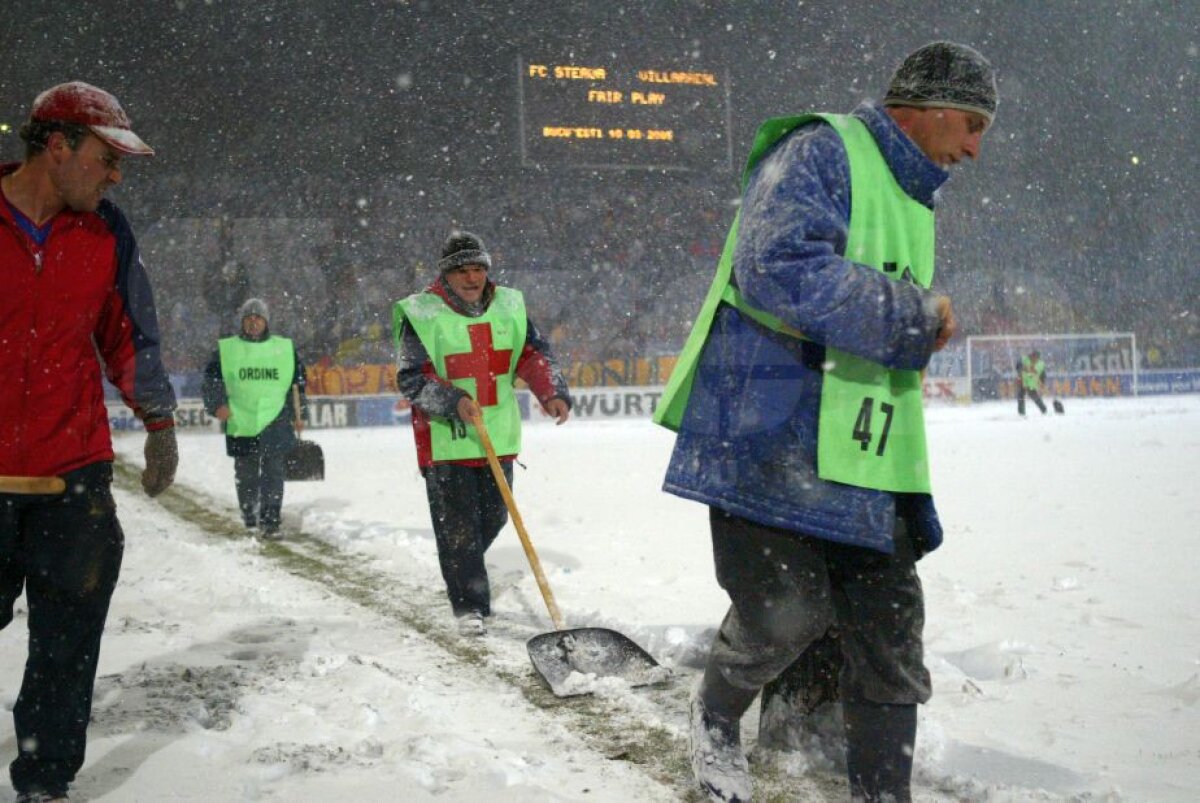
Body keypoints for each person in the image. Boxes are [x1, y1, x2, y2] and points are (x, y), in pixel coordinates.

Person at [653, 42, 997, 802]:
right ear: (928, 104)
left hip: (866, 447)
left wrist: (912, 328)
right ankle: (714, 719)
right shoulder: (823, 149)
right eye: (970, 124)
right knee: (784, 614)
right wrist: (913, 314)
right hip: (771, 428)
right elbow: (776, 265)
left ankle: (881, 792)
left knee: (888, 634)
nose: (975, 147)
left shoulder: (914, 194)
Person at [0, 81, 178, 803]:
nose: (115, 175)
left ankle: (44, 780)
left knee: (67, 647)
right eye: (106, 158)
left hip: (72, 476)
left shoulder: (108, 232)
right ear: (58, 146)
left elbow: (128, 335)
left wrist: (159, 421)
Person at [393, 231, 571, 637]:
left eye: (478, 269)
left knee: (493, 516)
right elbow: (412, 377)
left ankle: (462, 567)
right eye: (462, 271)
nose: (472, 278)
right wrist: (452, 400)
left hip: (498, 434)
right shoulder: (421, 312)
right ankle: (469, 605)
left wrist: (551, 391)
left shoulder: (509, 304)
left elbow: (533, 353)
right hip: (445, 439)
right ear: (446, 275)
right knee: (458, 527)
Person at [202, 298, 307, 539]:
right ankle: (250, 515)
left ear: (266, 321)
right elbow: (211, 381)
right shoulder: (226, 350)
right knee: (246, 472)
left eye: (258, 317)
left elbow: (298, 384)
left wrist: (300, 414)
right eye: (248, 318)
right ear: (242, 322)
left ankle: (270, 521)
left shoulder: (284, 349)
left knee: (274, 472)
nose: (253, 322)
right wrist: (217, 405)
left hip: (276, 418)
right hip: (241, 419)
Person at [1017, 349, 1048, 415]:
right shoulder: (1024, 359)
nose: (1034, 359)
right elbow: (1018, 366)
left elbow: (1043, 374)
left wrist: (1042, 382)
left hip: (1032, 382)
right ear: (1031, 356)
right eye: (1033, 357)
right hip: (1023, 380)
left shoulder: (1040, 364)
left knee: (1034, 396)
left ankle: (1044, 409)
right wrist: (1021, 370)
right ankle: (1021, 412)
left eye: (1036, 358)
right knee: (1020, 396)